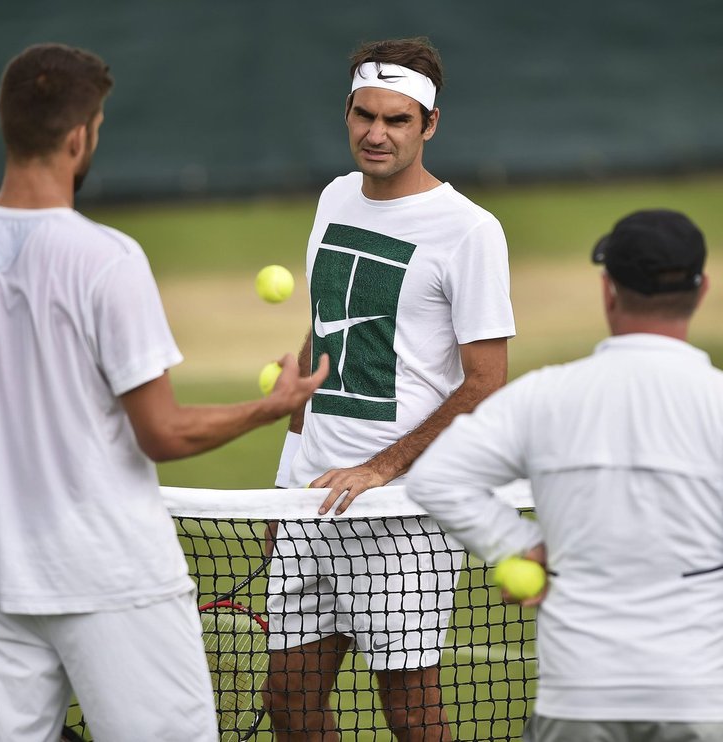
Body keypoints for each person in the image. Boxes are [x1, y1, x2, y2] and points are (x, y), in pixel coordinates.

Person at [0, 43, 327, 741]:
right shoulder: (108, 261)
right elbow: (162, 431)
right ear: (79, 136)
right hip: (114, 580)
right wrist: (272, 406)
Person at [407, 209, 723, 742]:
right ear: (701, 292)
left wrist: (519, 544)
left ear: (608, 290)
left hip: (577, 695)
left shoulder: (545, 396)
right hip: (701, 698)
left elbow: (436, 478)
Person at [264, 37, 515, 741]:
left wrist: (382, 468)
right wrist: (285, 478)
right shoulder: (336, 197)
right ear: (347, 114)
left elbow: (487, 381)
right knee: (288, 699)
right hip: (312, 497)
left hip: (402, 514)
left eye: (397, 120)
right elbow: (321, 334)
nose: (377, 134)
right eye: (364, 116)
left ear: (429, 124)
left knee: (411, 712)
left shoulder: (470, 232)